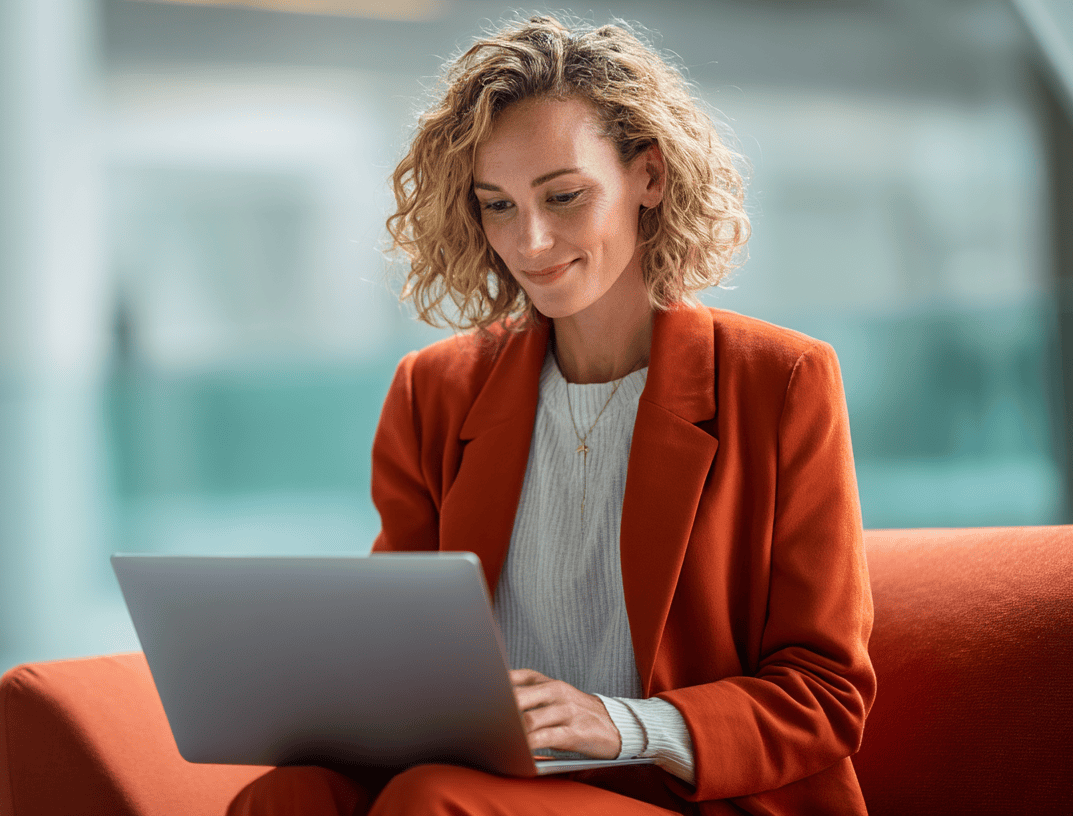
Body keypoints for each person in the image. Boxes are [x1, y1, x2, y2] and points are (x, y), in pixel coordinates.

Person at [229, 14, 874, 816]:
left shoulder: (781, 383)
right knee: (286, 798)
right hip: (493, 776)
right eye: (496, 205)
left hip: (682, 793)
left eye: (564, 196)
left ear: (650, 177)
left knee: (434, 801)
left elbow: (825, 692)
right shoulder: (434, 390)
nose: (530, 241)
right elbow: (402, 654)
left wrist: (618, 725)